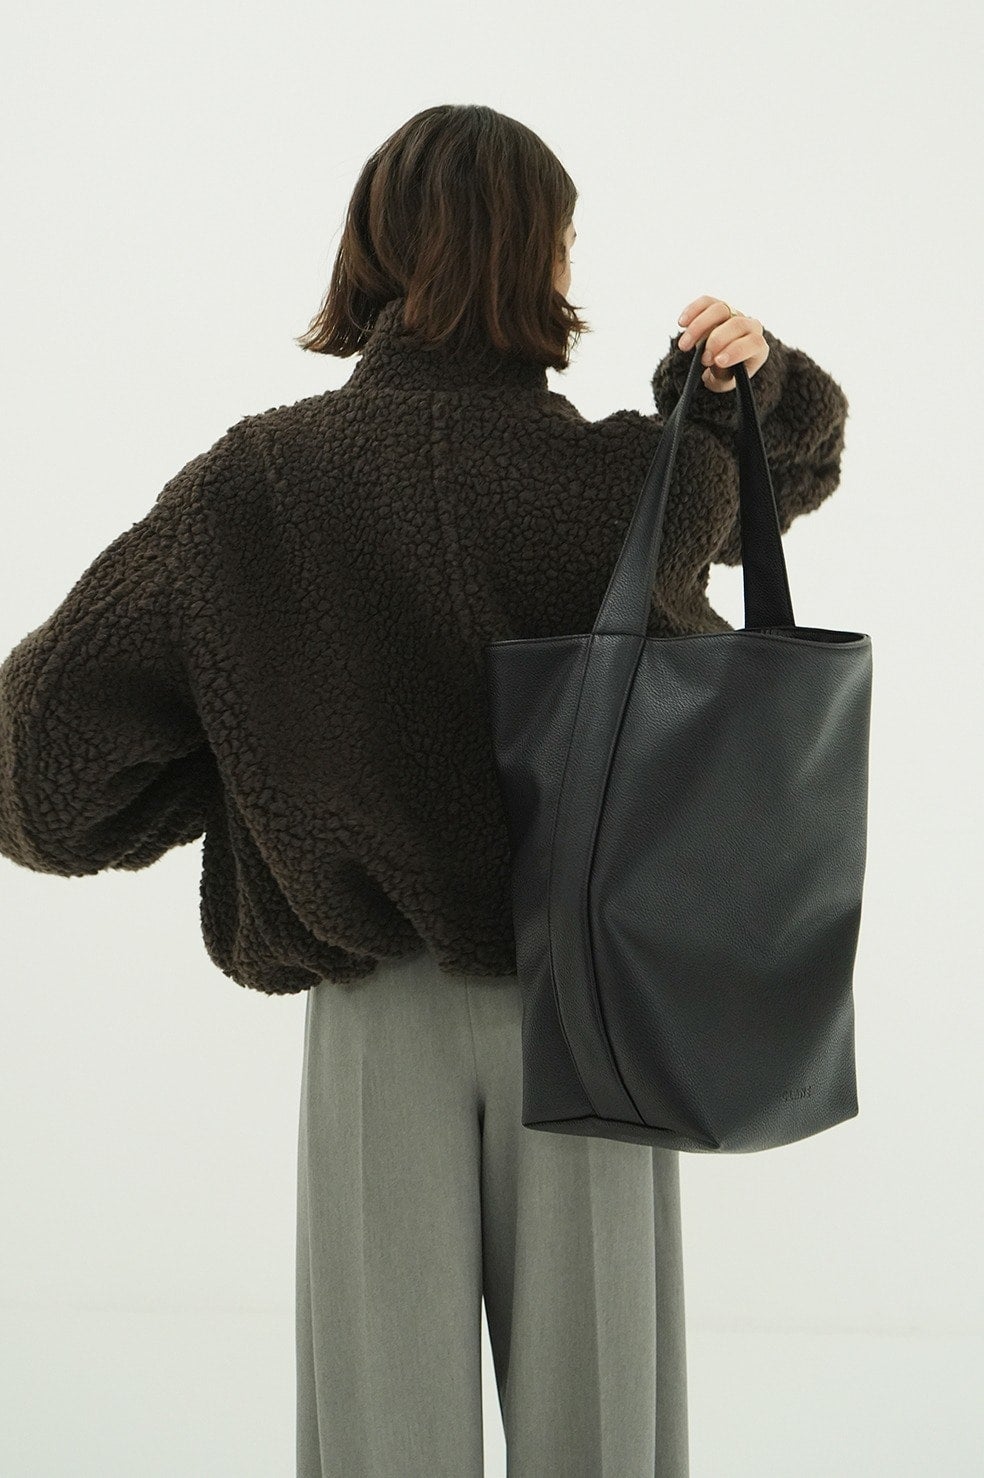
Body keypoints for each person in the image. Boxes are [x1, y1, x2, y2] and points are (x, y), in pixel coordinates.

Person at [0, 103, 849, 1477]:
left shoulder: (256, 487)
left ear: (375, 252)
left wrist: (247, 759)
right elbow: (770, 481)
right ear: (542, 260)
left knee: (378, 1441)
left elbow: (40, 769)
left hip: (375, 1020)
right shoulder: (621, 488)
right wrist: (751, 383)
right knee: (607, 1434)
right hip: (597, 1012)